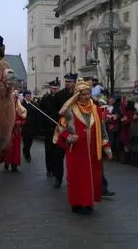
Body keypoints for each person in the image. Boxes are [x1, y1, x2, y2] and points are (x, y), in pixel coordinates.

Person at [55, 78, 112, 215]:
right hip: (76, 150)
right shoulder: (70, 111)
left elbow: (103, 131)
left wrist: (106, 147)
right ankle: (76, 203)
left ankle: (88, 203)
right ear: (77, 95)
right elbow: (60, 129)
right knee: (76, 177)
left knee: (91, 177)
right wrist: (69, 137)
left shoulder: (96, 110)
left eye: (88, 94)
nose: (86, 97)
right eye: (83, 94)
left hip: (92, 151)